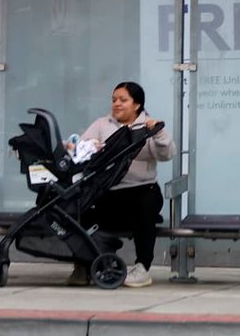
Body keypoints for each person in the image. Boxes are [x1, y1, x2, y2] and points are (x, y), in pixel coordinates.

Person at [68, 81, 174, 288]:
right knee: (79, 209)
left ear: (137, 104)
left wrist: (159, 134)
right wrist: (90, 148)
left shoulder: (148, 126)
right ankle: (83, 265)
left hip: (141, 189)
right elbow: (77, 150)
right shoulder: (102, 124)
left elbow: (167, 154)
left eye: (123, 100)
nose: (116, 104)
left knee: (145, 208)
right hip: (108, 191)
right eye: (114, 99)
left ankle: (143, 268)